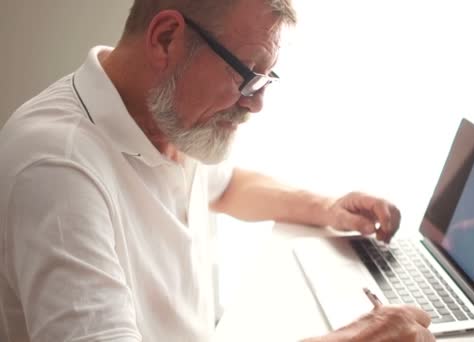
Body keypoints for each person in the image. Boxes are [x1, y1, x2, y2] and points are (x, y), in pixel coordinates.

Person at [0, 0, 435, 341]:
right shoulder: (56, 166)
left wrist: (329, 208)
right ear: (167, 38)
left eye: (266, 79)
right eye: (247, 74)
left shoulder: (169, 117)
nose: (257, 102)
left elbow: (228, 187)